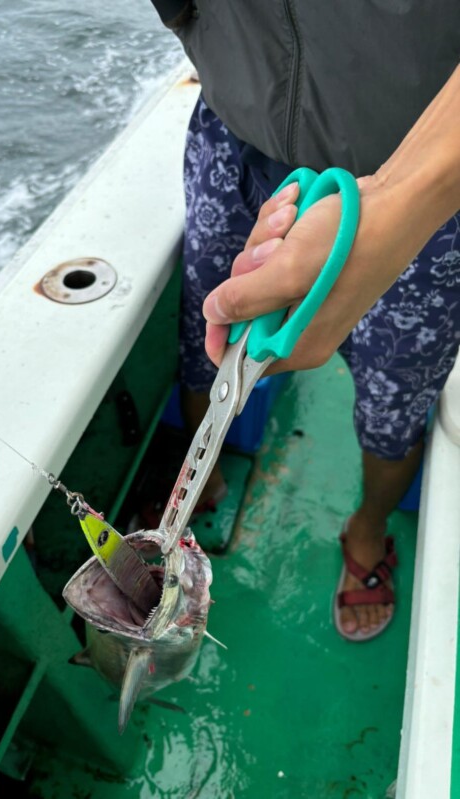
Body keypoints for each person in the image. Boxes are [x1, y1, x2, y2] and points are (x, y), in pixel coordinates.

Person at [150, 1, 460, 640]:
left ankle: (368, 529)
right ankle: (192, 485)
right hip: (233, 135)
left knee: (394, 397)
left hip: (431, 180)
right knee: (204, 335)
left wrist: (406, 194)